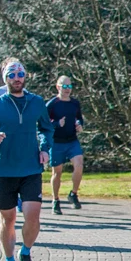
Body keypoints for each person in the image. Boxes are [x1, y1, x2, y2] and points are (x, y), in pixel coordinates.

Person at [0, 58, 54, 261]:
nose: (17, 78)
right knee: (7, 220)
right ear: (5, 79)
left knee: (33, 216)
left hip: (31, 167)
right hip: (4, 170)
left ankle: (25, 252)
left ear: (25, 76)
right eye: (12, 75)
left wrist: (45, 149)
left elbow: (46, 129)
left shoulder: (36, 102)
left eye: (20, 74)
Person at [47, 75, 85, 215]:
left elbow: (79, 118)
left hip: (72, 140)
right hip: (56, 142)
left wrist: (79, 125)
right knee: (57, 173)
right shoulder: (52, 104)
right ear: (58, 87)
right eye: (64, 86)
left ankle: (73, 194)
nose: (67, 89)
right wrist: (57, 124)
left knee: (79, 164)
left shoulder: (75, 103)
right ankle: (55, 200)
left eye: (69, 86)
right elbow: (43, 124)